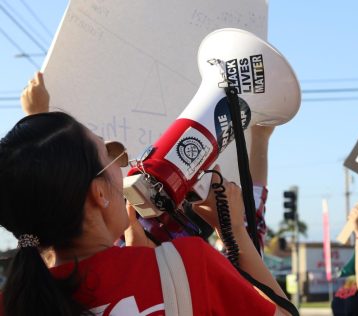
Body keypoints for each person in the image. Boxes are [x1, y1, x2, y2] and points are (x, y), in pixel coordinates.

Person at [0, 74, 292, 315]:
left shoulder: (14, 302)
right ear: (98, 193)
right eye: (109, 154)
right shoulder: (191, 266)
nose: (124, 165)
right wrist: (234, 232)